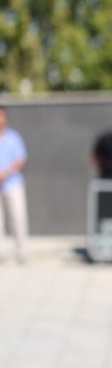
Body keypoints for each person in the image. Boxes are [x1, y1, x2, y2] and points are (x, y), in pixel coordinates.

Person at [0, 107, 29, 263]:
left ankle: (21, 251)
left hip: (12, 184)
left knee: (18, 217)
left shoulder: (14, 138)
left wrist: (5, 173)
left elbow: (20, 160)